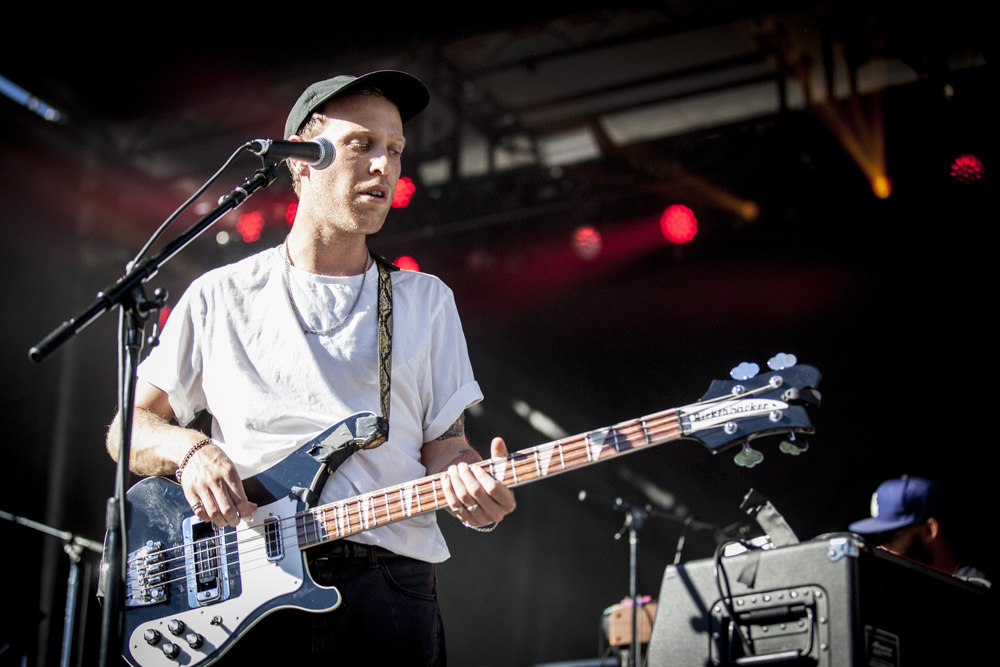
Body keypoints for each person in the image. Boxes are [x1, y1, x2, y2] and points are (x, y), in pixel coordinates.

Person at [106, 70, 516, 665]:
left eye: (395, 151)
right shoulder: (219, 295)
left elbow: (445, 449)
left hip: (391, 585)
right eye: (361, 145)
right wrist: (190, 453)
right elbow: (130, 428)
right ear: (301, 162)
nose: (384, 166)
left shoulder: (426, 301)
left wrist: (472, 486)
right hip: (246, 590)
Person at [849, 475, 988, 586]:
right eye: (878, 539)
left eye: (890, 537)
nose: (882, 548)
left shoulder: (977, 589)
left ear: (928, 531)